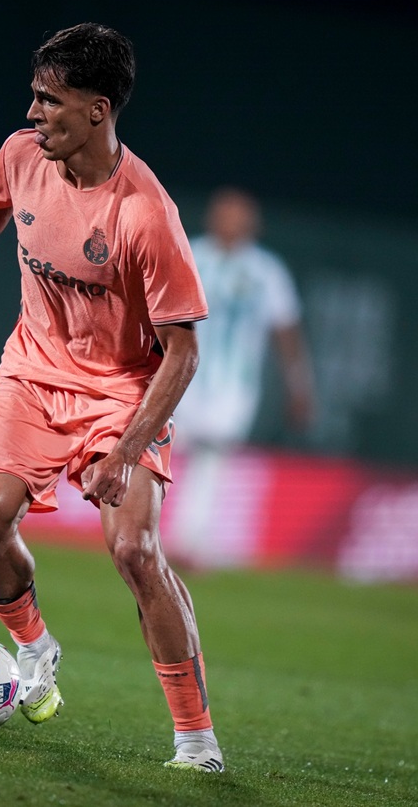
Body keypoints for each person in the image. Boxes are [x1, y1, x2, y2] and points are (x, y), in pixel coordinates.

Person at [0, 23, 223, 772]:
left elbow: (183, 353)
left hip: (122, 392)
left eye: (49, 100)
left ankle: (196, 740)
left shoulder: (145, 215)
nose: (33, 111)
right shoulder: (23, 154)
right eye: (35, 96)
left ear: (97, 110)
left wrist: (127, 450)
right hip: (32, 371)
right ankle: (34, 648)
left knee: (134, 550)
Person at [168, 186, 315, 570]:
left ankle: (190, 540)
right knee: (165, 448)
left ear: (253, 223)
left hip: (234, 387)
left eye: (238, 215)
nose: (230, 222)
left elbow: (286, 331)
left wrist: (298, 384)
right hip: (180, 374)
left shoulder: (267, 271)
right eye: (224, 213)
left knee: (211, 456)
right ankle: (145, 531)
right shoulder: (189, 254)